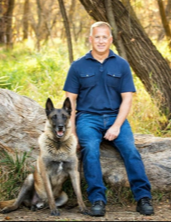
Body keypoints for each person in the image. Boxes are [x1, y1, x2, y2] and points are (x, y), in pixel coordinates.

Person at [63, 21, 154, 217]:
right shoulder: (78, 66)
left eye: (105, 37)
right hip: (88, 118)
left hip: (115, 116)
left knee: (131, 150)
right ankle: (97, 199)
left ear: (110, 40)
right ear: (90, 39)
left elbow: (127, 99)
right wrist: (73, 134)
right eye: (97, 37)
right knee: (90, 150)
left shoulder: (121, 64)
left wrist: (117, 126)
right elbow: (70, 102)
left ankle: (143, 198)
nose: (101, 41)